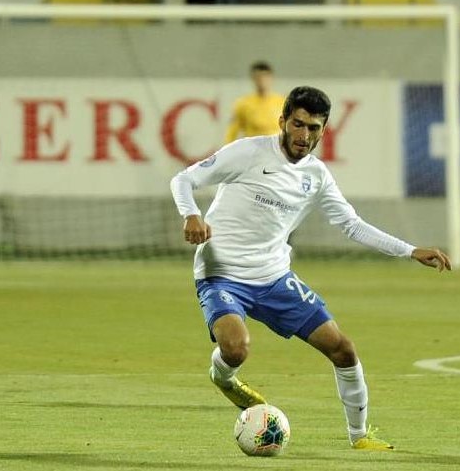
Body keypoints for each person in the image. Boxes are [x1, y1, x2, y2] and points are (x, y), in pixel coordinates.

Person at [170, 86, 451, 451]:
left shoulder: (316, 176)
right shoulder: (249, 152)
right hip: (221, 273)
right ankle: (223, 376)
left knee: (343, 349)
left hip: (274, 277)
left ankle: (360, 436)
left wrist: (410, 250)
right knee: (236, 349)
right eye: (298, 125)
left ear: (324, 129)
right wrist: (191, 213)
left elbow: (352, 224)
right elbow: (183, 179)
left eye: (314, 128)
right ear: (282, 121)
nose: (304, 136)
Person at [224, 61, 285, 144]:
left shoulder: (282, 102)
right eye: (258, 77)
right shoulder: (243, 104)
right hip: (253, 151)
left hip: (276, 150)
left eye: (265, 76)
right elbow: (232, 132)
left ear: (271, 78)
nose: (262, 80)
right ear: (253, 79)